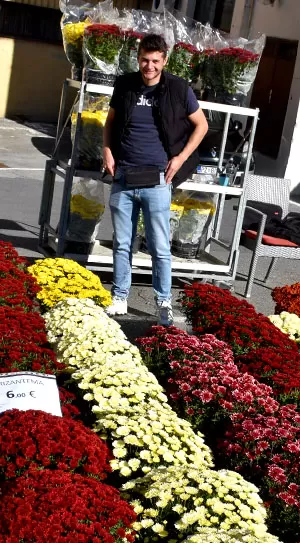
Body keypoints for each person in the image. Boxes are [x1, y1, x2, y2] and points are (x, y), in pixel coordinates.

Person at [102, 33, 209, 326]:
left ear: (164, 60)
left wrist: (181, 158)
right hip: (123, 175)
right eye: (144, 60)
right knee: (123, 243)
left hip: (158, 181)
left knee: (160, 248)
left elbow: (201, 125)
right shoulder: (125, 84)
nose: (149, 66)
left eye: (155, 61)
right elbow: (110, 122)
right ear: (138, 58)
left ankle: (164, 302)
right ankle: (120, 297)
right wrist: (107, 151)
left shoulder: (177, 88)